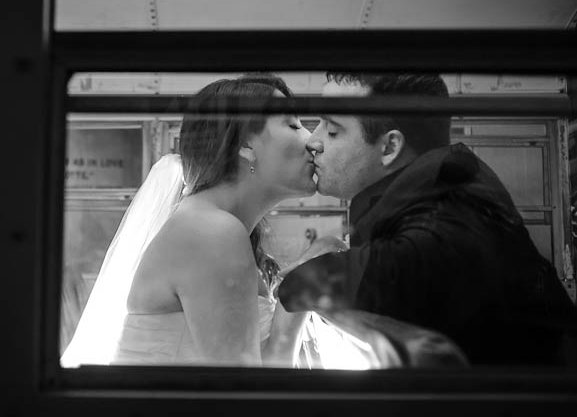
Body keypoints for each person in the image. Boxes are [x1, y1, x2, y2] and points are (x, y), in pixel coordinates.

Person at [277, 73, 577, 366]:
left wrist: (312, 267)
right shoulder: (441, 187)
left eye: (332, 130)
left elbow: (399, 272)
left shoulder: (451, 214)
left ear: (390, 147)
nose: (313, 142)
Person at [62, 74, 315, 367]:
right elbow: (247, 395)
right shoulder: (212, 232)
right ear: (245, 145)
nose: (312, 140)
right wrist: (299, 296)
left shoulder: (210, 226)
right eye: (294, 125)